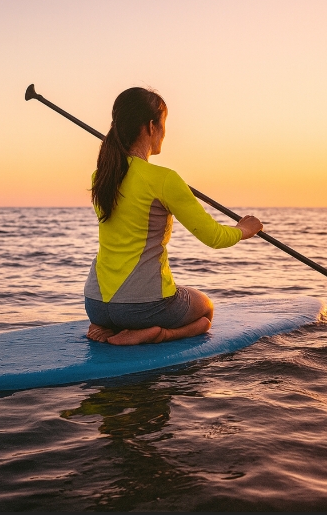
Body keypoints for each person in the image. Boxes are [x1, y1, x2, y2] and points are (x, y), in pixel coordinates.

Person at [84, 87, 263, 346]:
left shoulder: (101, 177)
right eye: (163, 124)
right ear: (151, 126)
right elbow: (213, 237)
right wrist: (244, 229)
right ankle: (159, 333)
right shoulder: (164, 179)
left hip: (96, 304)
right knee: (206, 309)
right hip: (142, 307)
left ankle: (111, 325)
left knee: (133, 306)